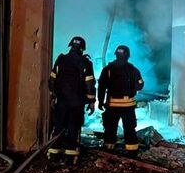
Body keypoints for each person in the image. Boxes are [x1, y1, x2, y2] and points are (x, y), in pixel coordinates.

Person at [48, 36, 96, 164]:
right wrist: (91, 101)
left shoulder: (61, 59)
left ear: (71, 46)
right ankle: (70, 158)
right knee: (73, 129)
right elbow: (90, 84)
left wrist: (53, 96)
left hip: (61, 102)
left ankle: (53, 155)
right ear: (82, 48)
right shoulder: (85, 63)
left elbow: (52, 80)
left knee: (58, 127)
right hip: (77, 103)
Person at [97, 45, 144, 155]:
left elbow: (101, 87)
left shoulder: (107, 69)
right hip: (128, 106)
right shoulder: (133, 69)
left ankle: (109, 148)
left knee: (110, 127)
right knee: (129, 128)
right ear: (128, 56)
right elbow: (140, 85)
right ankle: (132, 151)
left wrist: (100, 101)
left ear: (116, 55)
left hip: (112, 105)